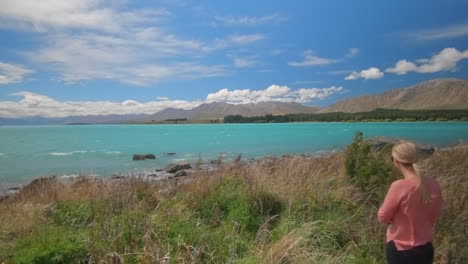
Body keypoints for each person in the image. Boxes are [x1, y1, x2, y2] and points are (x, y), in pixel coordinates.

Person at [378, 141, 443, 264]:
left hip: (400, 249)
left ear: (396, 161)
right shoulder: (434, 184)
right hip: (425, 248)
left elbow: (382, 217)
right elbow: (435, 214)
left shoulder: (399, 186)